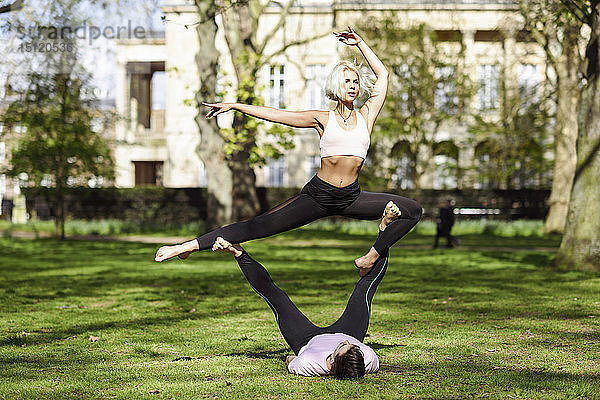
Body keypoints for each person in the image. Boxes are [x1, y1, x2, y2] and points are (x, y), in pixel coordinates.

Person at [155, 26, 422, 275]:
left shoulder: (367, 115)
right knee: (257, 227)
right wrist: (236, 106)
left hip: (350, 197)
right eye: (347, 81)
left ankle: (371, 256)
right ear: (336, 86)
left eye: (355, 81)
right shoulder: (322, 118)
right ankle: (187, 246)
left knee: (412, 210)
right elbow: (276, 115)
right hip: (319, 196)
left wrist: (360, 43)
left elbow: (383, 76)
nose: (352, 86)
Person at [210, 201, 401, 378]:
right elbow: (352, 346)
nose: (347, 344)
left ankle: (238, 252)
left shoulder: (309, 363)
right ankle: (385, 228)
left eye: (343, 347)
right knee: (366, 288)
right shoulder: (368, 359)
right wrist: (350, 341)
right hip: (349, 330)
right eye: (354, 347)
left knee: (278, 298)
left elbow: (290, 360)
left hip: (306, 340)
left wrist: (293, 359)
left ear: (331, 363)